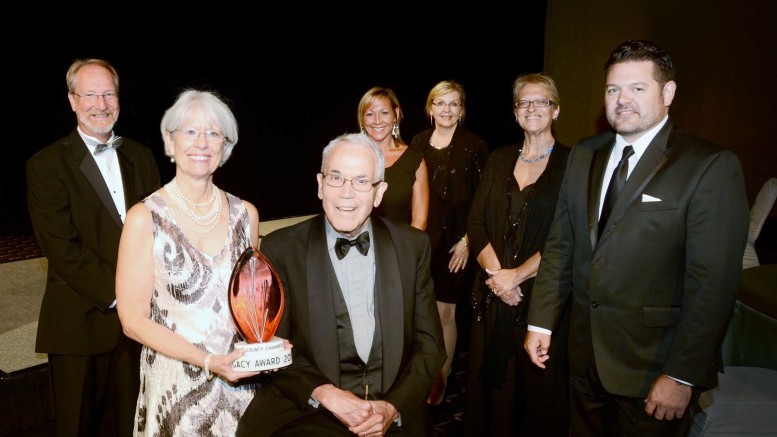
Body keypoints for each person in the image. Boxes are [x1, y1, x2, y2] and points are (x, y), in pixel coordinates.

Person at [524, 39, 750, 436]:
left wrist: (682, 375)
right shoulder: (584, 154)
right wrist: (541, 322)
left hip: (654, 369)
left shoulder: (708, 166)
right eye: (613, 89)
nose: (622, 99)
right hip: (583, 359)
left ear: (668, 93)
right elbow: (562, 244)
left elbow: (713, 284)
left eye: (636, 88)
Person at [236, 133, 446, 436]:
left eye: (361, 181)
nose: (346, 193)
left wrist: (393, 407)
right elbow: (272, 348)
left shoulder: (412, 246)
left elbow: (430, 346)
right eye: (337, 178)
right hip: (310, 410)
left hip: (390, 410)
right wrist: (324, 394)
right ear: (320, 185)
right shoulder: (282, 249)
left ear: (379, 193)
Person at [25, 58, 161, 436]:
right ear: (72, 101)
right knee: (77, 426)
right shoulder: (47, 165)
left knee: (132, 422)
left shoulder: (141, 156)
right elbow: (63, 248)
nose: (101, 104)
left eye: (108, 93)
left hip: (139, 327)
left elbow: (159, 233)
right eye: (90, 94)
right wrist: (125, 294)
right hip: (79, 322)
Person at [116, 89, 263, 435]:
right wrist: (209, 362)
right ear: (171, 141)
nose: (202, 143)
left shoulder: (247, 215)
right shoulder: (144, 217)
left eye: (214, 134)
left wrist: (268, 345)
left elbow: (251, 306)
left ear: (225, 147)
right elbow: (133, 321)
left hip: (239, 386)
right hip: (174, 390)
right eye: (191, 131)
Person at [464, 73, 570, 436]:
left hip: (542, 301)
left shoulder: (574, 164)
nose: (532, 108)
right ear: (515, 112)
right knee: (491, 396)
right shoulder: (498, 158)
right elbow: (475, 223)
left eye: (541, 101)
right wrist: (499, 278)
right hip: (493, 297)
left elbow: (568, 237)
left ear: (555, 110)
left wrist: (519, 275)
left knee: (536, 400)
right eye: (524, 102)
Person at [410, 80, 489, 405]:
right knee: (419, 313)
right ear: (430, 108)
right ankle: (419, 376)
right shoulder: (417, 142)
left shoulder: (474, 145)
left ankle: (439, 384)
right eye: (440, 103)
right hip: (422, 243)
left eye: (453, 104)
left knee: (445, 314)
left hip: (458, 245)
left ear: (461, 110)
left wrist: (469, 241)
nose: (446, 110)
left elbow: (485, 199)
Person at [359, 86, 429, 230]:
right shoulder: (351, 158)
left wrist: (404, 251)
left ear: (395, 114)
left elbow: (419, 222)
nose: (377, 120)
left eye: (384, 113)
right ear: (362, 118)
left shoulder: (414, 161)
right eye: (370, 114)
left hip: (399, 248)